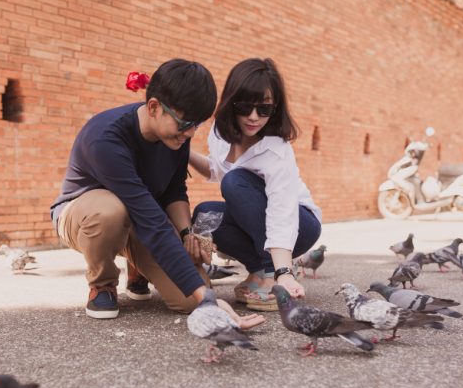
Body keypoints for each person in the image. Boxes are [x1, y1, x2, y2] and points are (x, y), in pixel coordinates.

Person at [50, 58, 265, 329]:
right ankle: (102, 284)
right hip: (83, 215)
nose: (190, 132)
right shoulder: (105, 138)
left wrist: (188, 235)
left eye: (196, 124)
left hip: (140, 218)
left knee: (191, 300)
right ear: (154, 107)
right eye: (185, 122)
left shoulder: (176, 138)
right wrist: (208, 300)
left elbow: (175, 190)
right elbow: (150, 218)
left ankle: (137, 264)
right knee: (110, 211)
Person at [188, 58, 322, 311]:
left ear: (275, 108)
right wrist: (183, 151)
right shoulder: (219, 131)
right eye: (245, 107)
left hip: (300, 223)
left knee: (235, 182)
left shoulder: (276, 150)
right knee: (206, 214)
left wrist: (282, 272)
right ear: (231, 102)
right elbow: (217, 170)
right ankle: (257, 269)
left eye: (264, 109)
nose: (253, 117)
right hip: (256, 219)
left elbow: (281, 210)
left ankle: (271, 274)